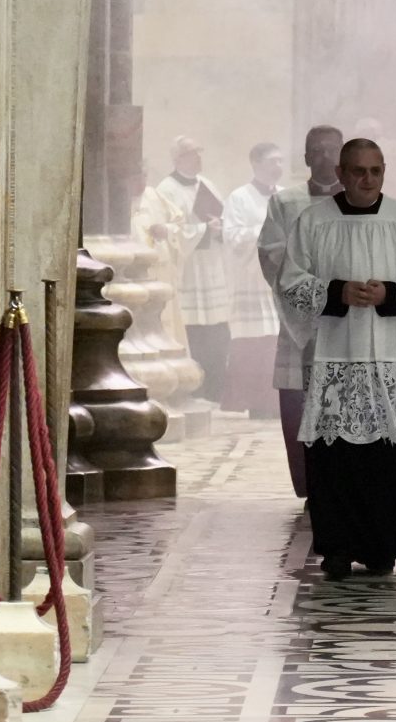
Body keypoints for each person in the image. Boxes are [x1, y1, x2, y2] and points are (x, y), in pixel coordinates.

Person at [279, 138, 396, 580]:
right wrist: (337, 292)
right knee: (336, 459)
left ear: (384, 171)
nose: (367, 180)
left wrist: (390, 294)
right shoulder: (313, 222)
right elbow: (290, 283)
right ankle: (337, 547)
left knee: (388, 459)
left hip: (392, 359)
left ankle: (383, 546)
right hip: (336, 358)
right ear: (341, 173)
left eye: (375, 171)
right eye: (358, 171)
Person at [259, 125, 344, 496]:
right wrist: (309, 283)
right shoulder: (285, 202)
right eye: (317, 150)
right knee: (300, 404)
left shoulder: (362, 199)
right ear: (306, 157)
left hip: (348, 321)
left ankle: (343, 485)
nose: (325, 157)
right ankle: (311, 486)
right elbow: (271, 253)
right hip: (301, 322)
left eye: (332, 150)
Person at [136, 136, 232, 400]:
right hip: (187, 269)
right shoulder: (166, 189)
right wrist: (204, 229)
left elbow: (222, 215)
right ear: (178, 158)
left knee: (217, 328)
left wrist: (220, 226)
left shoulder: (207, 184)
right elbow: (168, 230)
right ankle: (196, 388)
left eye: (199, 152)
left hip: (211, 265)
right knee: (193, 328)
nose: (199, 157)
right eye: (192, 153)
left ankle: (216, 387)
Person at [218, 142, 289, 417]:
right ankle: (255, 402)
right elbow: (233, 237)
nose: (278, 166)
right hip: (252, 280)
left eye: (281, 161)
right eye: (273, 161)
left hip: (280, 280)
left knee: (279, 341)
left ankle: (277, 403)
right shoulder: (239, 197)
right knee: (254, 343)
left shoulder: (287, 196)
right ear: (256, 164)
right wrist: (268, 231)